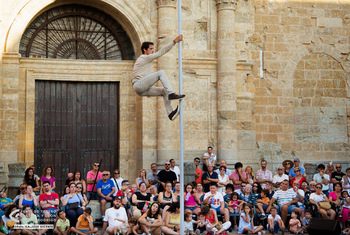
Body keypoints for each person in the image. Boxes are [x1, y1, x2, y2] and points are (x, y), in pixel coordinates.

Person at [132, 35, 185, 121]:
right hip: (139, 85)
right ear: (144, 50)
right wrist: (174, 41)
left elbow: (137, 74)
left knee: (164, 91)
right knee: (161, 73)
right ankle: (171, 93)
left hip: (141, 87)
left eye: (153, 49)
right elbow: (161, 52)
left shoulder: (144, 60)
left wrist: (147, 88)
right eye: (151, 49)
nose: (153, 51)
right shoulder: (145, 57)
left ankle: (170, 113)